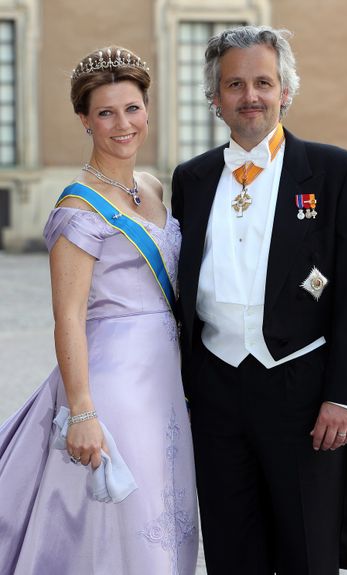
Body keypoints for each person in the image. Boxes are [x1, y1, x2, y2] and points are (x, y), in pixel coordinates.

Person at [172, 25, 347, 575]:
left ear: (285, 90)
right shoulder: (191, 180)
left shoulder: (337, 173)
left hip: (303, 393)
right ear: (215, 98)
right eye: (235, 84)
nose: (251, 96)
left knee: (307, 554)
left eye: (263, 81)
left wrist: (345, 395)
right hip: (216, 393)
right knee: (230, 551)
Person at [0, 46, 198, 575]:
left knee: (169, 512)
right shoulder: (78, 206)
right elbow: (67, 316)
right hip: (114, 387)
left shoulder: (153, 187)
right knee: (126, 532)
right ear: (85, 121)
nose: (122, 124)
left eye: (131, 108)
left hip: (165, 384)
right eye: (105, 113)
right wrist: (83, 412)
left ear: (148, 111)